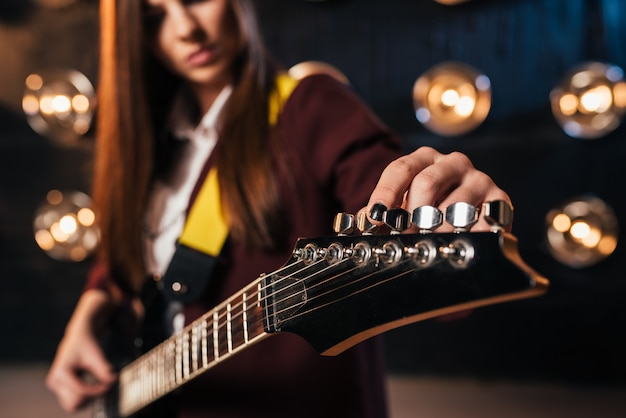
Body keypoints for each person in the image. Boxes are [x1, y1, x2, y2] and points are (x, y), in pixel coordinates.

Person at [45, 0, 511, 417]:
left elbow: (385, 192)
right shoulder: (147, 142)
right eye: (153, 16)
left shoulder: (311, 105)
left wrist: (442, 204)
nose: (184, 28)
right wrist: (90, 306)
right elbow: (128, 251)